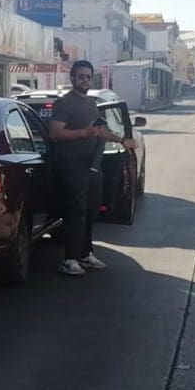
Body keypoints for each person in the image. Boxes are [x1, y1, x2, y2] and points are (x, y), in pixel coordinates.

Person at [49, 60, 135, 276]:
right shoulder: (64, 104)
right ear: (73, 78)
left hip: (92, 166)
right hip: (71, 164)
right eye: (81, 76)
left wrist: (121, 139)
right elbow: (55, 133)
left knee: (91, 210)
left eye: (88, 76)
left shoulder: (90, 103)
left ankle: (85, 253)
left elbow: (101, 130)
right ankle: (69, 259)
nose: (85, 80)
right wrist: (83, 134)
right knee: (76, 211)